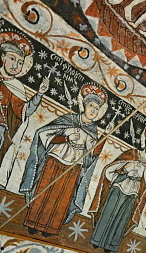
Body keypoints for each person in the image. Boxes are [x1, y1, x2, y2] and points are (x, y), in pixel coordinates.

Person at [21, 84, 108, 236]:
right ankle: (33, 223)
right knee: (44, 192)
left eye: (96, 108)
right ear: (84, 106)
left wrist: (104, 138)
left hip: (74, 167)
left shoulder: (93, 131)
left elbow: (92, 155)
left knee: (62, 198)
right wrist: (65, 136)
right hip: (54, 160)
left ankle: (50, 228)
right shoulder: (68, 119)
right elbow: (43, 135)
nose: (93, 110)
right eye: (91, 106)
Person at [0, 31, 49, 189]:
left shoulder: (17, 87)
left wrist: (39, 93)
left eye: (20, 62)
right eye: (12, 59)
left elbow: (24, 111)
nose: (16, 65)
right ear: (2, 57)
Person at [89, 124, 146, 253]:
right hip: (118, 188)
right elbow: (110, 170)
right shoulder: (131, 154)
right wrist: (125, 172)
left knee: (121, 220)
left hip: (132, 194)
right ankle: (97, 241)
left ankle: (110, 245)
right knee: (108, 215)